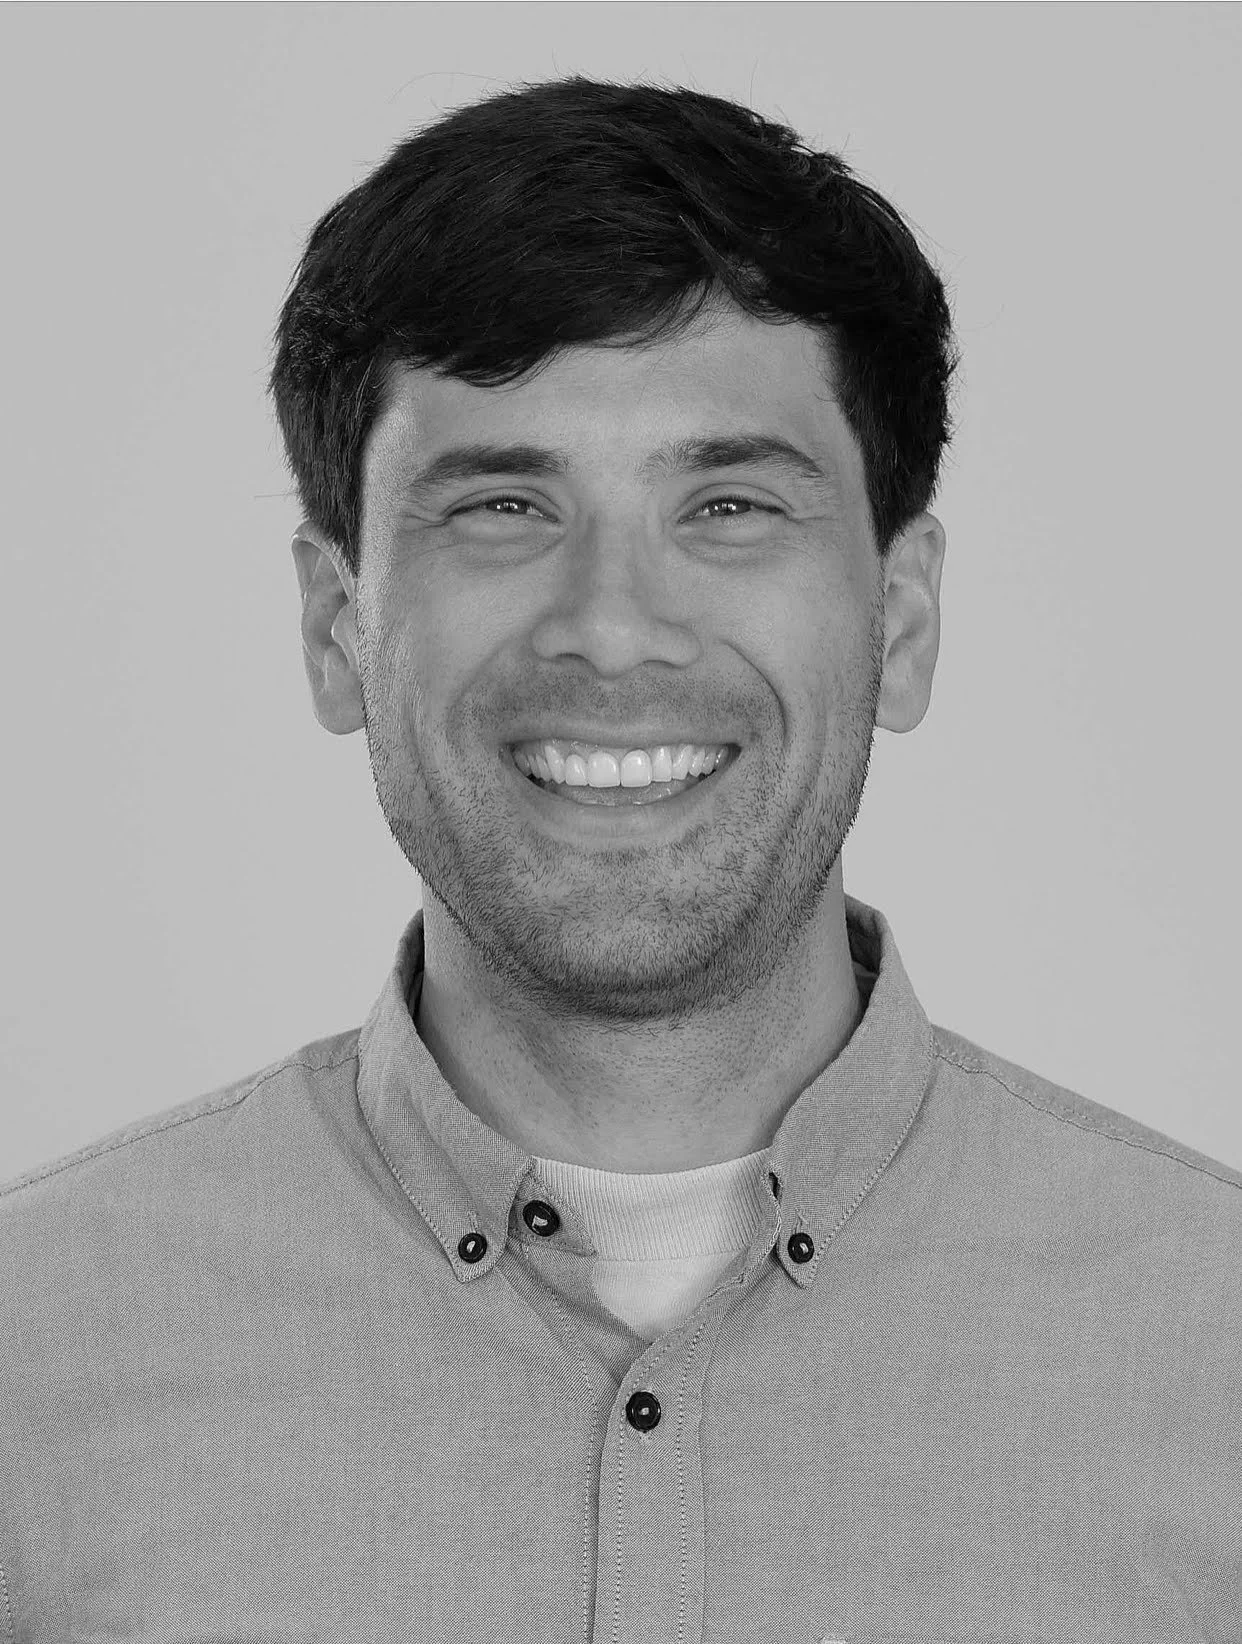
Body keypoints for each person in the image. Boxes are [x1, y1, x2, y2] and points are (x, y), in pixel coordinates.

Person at [2, 73, 1238, 1643]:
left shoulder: (1212, 1358)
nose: (609, 627)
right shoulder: (30, 1368)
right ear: (335, 626)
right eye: (501, 505)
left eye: (727, 504)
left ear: (902, 619)